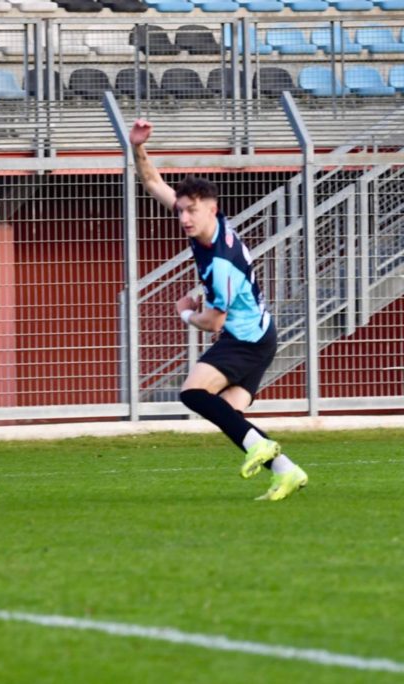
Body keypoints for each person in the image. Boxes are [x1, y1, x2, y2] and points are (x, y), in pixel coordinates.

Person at [129, 118, 308, 501]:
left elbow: (212, 322)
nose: (183, 218)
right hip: (259, 335)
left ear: (212, 209)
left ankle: (264, 449)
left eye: (191, 211)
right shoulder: (207, 228)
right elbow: (153, 183)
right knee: (227, 412)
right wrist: (138, 146)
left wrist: (184, 312)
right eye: (181, 210)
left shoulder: (221, 263)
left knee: (193, 394)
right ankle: (287, 471)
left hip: (246, 340)